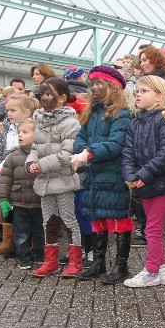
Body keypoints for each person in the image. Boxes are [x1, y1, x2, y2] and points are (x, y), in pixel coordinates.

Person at [69, 66, 133, 283]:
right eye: (92, 83)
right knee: (97, 218)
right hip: (95, 174)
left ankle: (121, 266)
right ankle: (98, 262)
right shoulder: (91, 113)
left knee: (118, 220)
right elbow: (80, 138)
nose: (94, 88)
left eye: (99, 83)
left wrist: (89, 152)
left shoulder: (121, 114)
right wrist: (83, 150)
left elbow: (116, 144)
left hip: (113, 175)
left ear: (113, 87)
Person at [121, 76, 165, 288]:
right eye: (137, 90)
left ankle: (152, 271)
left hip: (164, 184)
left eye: (144, 91)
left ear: (159, 96)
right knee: (153, 229)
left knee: (152, 229)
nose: (138, 94)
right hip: (144, 184)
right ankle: (163, 271)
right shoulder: (134, 122)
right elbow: (127, 152)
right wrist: (131, 176)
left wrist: (142, 175)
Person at [27, 77, 82, 277]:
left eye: (49, 94)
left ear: (62, 98)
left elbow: (67, 154)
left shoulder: (71, 124)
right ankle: (50, 261)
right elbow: (35, 148)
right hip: (44, 183)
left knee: (68, 221)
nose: (44, 98)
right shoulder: (40, 122)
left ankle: (75, 262)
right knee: (48, 222)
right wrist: (31, 163)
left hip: (63, 181)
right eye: (42, 94)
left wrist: (41, 165)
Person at [0, 116, 44, 269]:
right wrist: (4, 199)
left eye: (25, 132)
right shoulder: (12, 157)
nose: (20, 135)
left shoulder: (42, 154)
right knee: (21, 232)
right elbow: (5, 179)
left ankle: (39, 254)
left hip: (39, 201)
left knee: (39, 231)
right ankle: (23, 256)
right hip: (19, 202)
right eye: (19, 132)